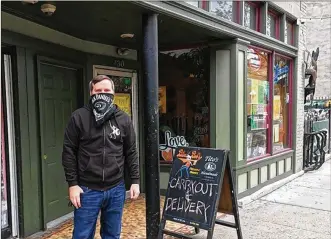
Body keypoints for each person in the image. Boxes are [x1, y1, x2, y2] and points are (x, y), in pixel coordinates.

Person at [62, 75, 140, 239]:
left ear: (113, 93)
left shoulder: (123, 119)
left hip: (116, 188)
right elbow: (69, 151)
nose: (102, 93)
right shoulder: (79, 117)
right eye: (98, 91)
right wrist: (73, 184)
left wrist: (135, 181)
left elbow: (131, 151)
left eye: (107, 90)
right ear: (91, 93)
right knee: (82, 235)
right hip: (87, 189)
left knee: (112, 234)